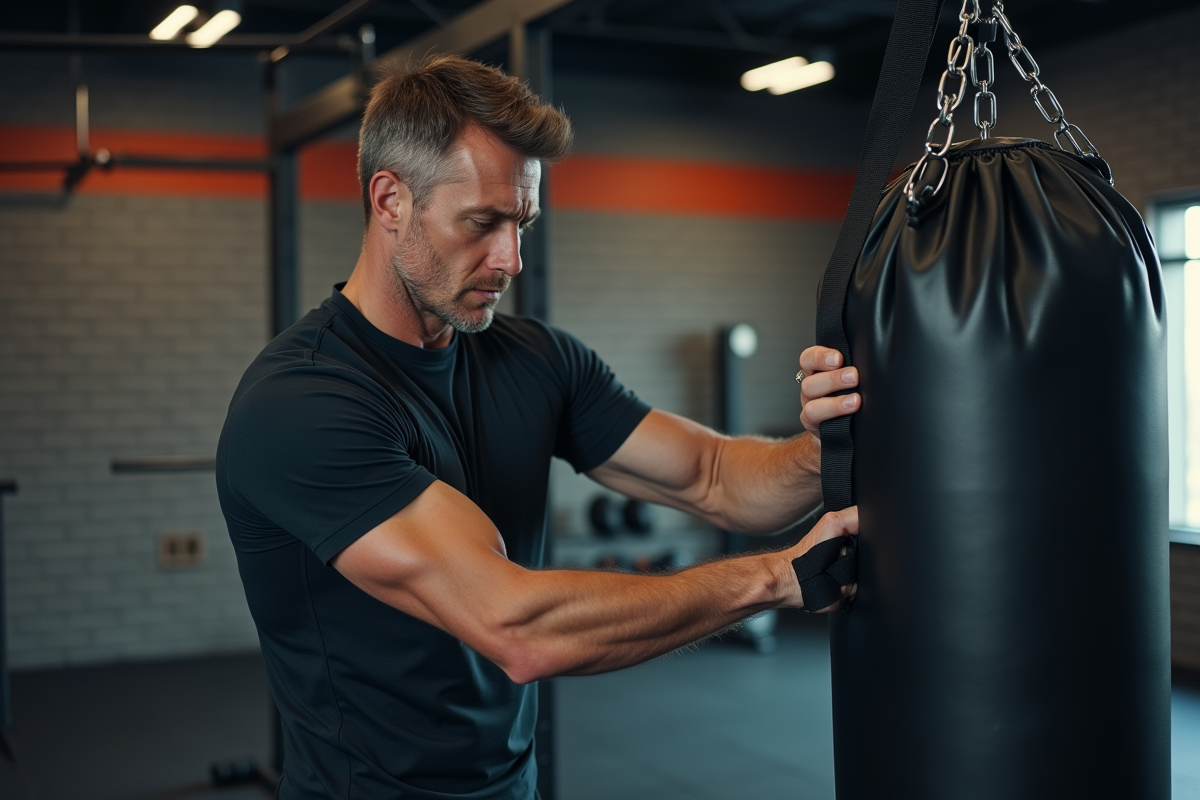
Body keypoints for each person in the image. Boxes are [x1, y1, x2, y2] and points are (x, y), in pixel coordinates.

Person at [216, 55, 861, 800]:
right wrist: (773, 578)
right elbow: (516, 626)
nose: (510, 259)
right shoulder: (301, 403)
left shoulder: (536, 360)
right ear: (390, 200)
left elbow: (715, 478)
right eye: (483, 222)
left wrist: (828, 443)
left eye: (521, 223)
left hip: (510, 785)